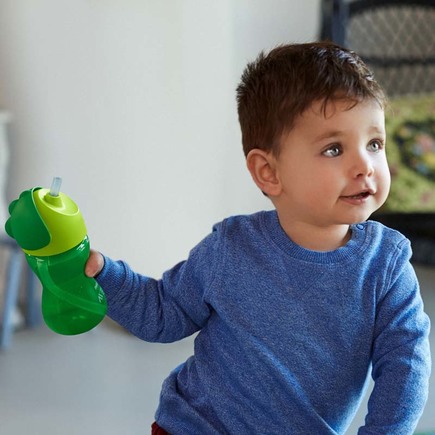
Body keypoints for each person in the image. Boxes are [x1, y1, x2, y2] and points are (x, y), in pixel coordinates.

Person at [85, 41, 431, 434]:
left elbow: (406, 368)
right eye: (334, 149)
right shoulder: (230, 248)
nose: (364, 166)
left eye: (374, 144)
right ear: (269, 172)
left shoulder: (386, 268)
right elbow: (163, 314)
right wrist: (105, 276)